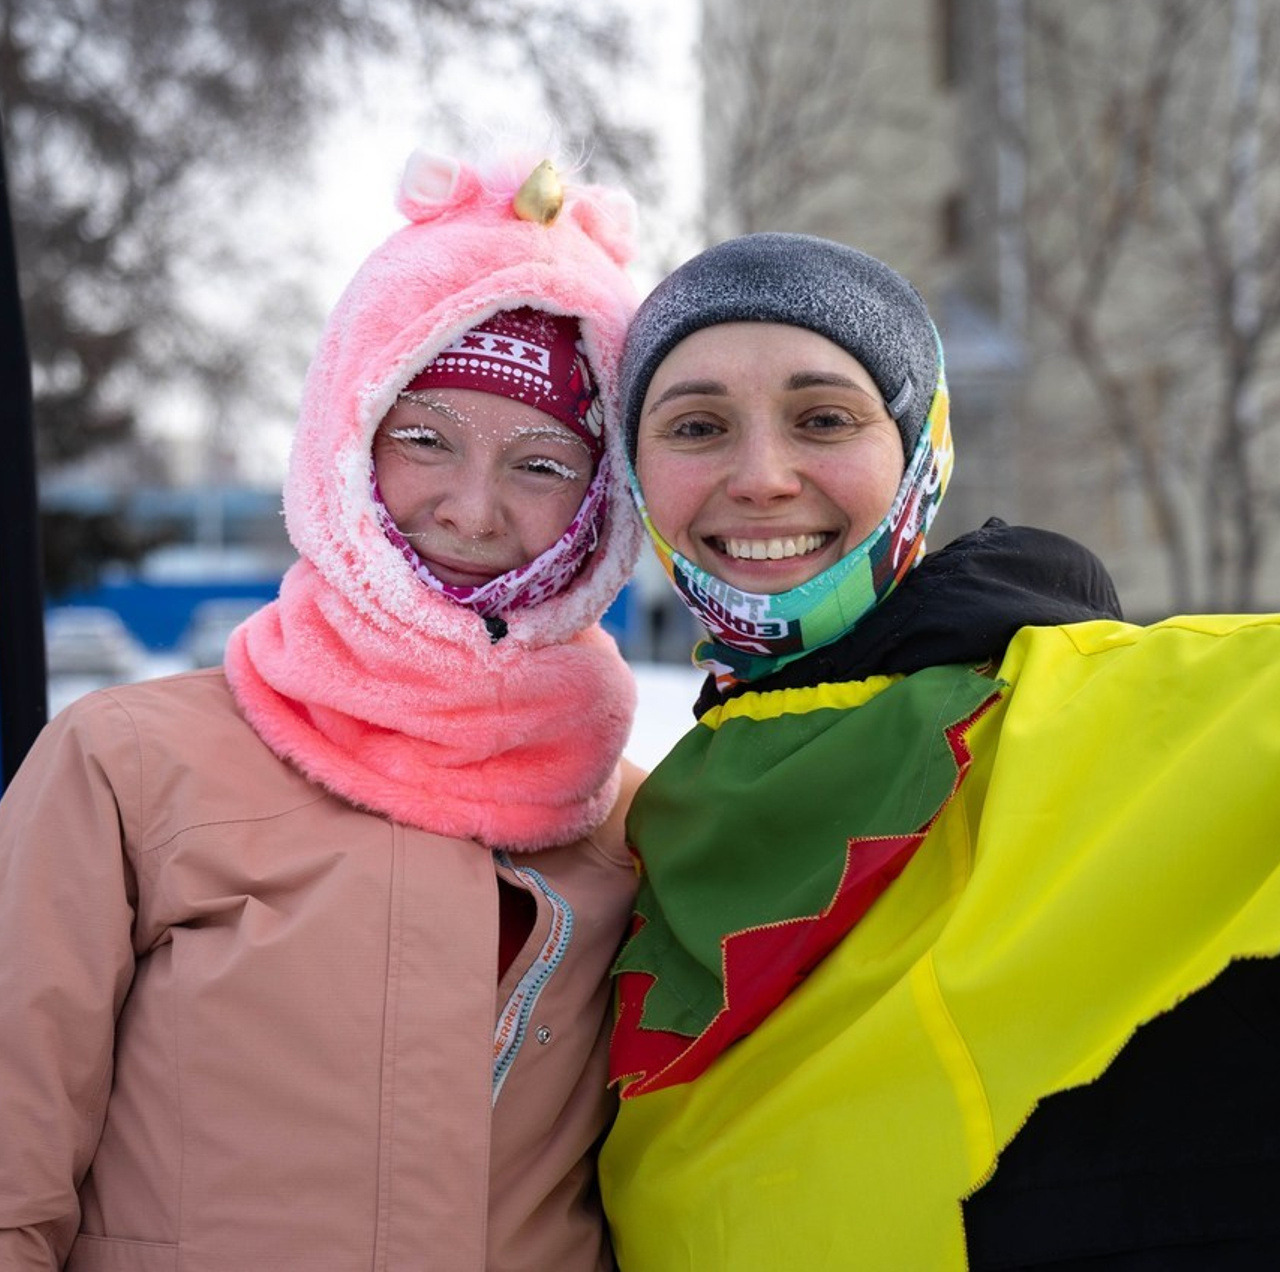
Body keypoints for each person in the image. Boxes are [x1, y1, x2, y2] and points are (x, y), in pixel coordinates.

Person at [0, 148, 645, 1270]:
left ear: (602, 507)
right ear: (345, 437)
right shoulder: (128, 767)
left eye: (542, 464)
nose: (472, 507)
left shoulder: (634, 825)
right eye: (425, 437)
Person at [597, 232, 1280, 1268]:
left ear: (920, 449)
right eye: (696, 426)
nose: (761, 476)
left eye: (822, 417)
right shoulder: (628, 840)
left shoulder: (1096, 710)